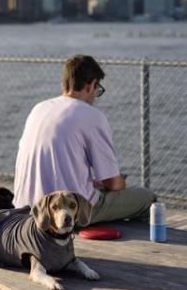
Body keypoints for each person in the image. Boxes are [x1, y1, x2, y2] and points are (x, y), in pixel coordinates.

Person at [13, 54, 156, 224]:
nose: (96, 96)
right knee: (148, 199)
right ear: (91, 85)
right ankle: (135, 246)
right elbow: (113, 183)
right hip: (67, 213)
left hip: (26, 210)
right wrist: (119, 184)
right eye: (98, 90)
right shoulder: (91, 116)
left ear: (64, 84)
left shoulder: (39, 108)